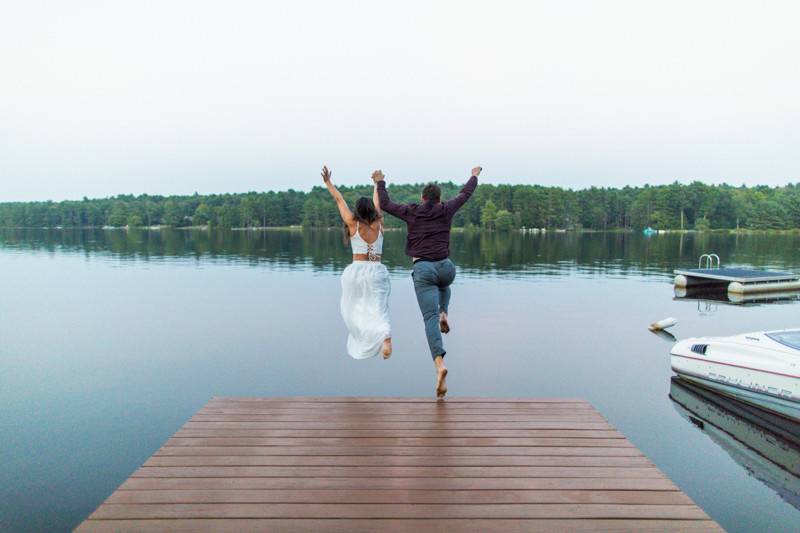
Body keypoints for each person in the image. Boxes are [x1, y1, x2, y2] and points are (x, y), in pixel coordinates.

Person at [375, 166, 481, 398]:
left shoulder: (412, 211)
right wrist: (474, 175)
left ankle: (439, 365)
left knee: (428, 318)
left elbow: (385, 204)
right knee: (444, 283)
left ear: (422, 198)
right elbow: (465, 194)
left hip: (423, 269)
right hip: (446, 267)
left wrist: (381, 181)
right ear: (439, 198)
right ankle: (444, 311)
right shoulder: (446, 209)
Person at [322, 166, 392, 360]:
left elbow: (339, 200)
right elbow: (378, 203)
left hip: (357, 272)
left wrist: (328, 183)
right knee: (379, 308)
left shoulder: (353, 223)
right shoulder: (379, 223)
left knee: (354, 309)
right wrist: (377, 183)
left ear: (357, 211)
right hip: (377, 270)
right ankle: (385, 337)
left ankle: (371, 335)